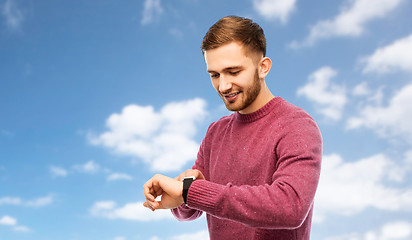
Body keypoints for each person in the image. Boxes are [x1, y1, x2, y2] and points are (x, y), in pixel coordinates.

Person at [143, 16, 322, 240]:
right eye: (214, 75)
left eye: (234, 72)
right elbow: (196, 202)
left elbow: (291, 206)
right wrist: (182, 197)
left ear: (263, 67)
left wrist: (190, 192)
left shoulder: (296, 125)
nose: (224, 86)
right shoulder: (215, 132)